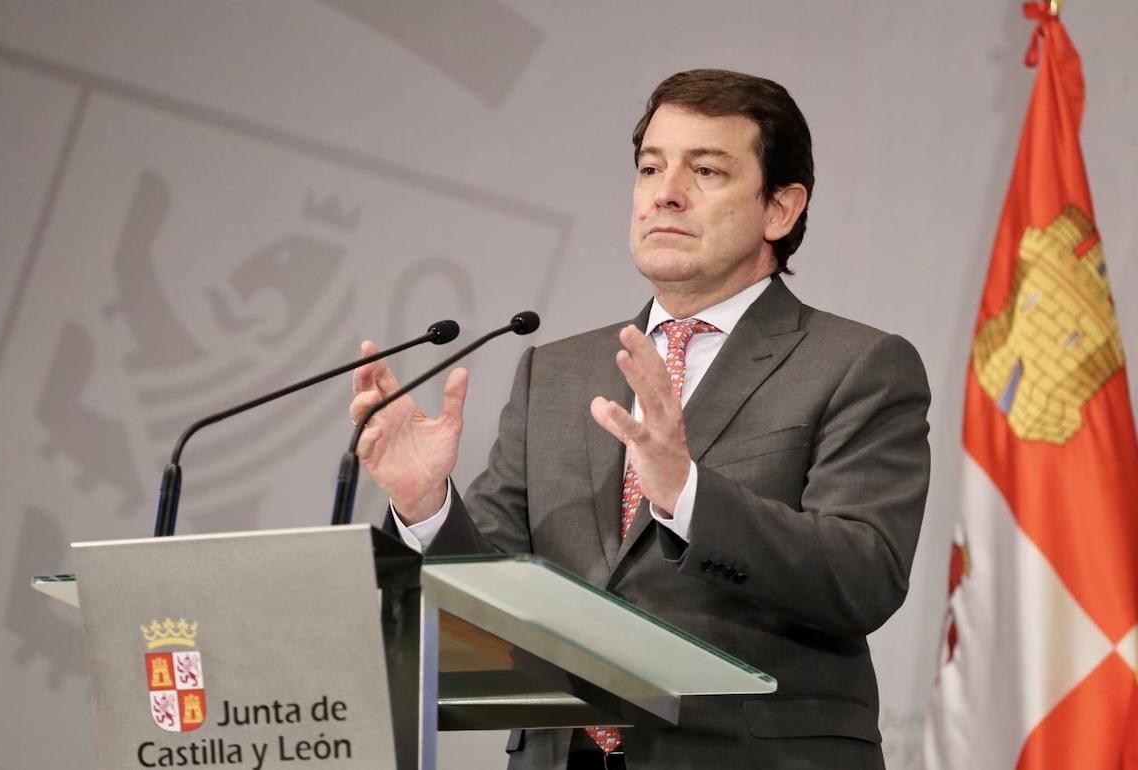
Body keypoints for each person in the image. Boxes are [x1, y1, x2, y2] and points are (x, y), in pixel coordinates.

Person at [349, 69, 930, 770]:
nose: (665, 193)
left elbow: (863, 577)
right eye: (651, 168)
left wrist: (687, 494)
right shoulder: (555, 374)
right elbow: (491, 599)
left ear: (780, 208)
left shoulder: (857, 365)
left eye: (706, 170)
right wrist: (426, 508)